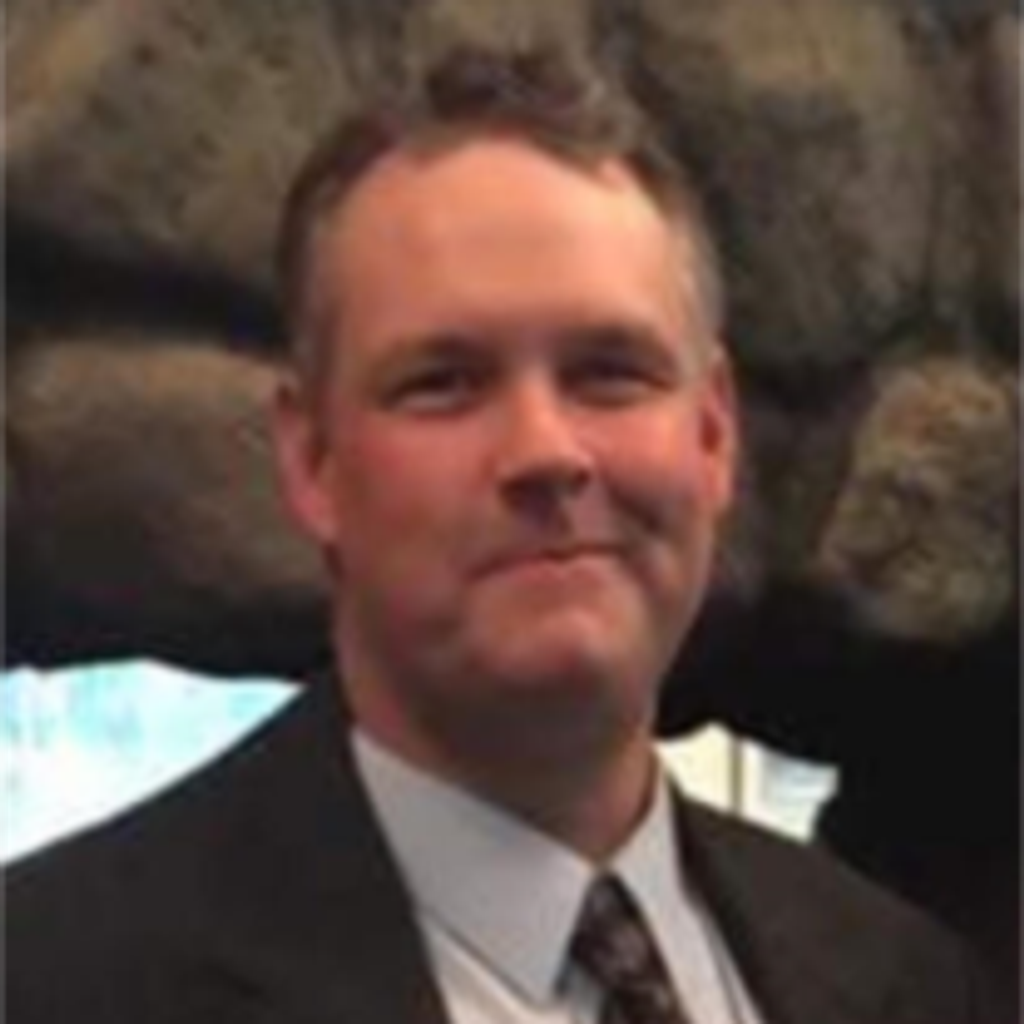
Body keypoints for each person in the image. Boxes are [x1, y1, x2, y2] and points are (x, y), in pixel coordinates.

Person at [0, 45, 1007, 1024]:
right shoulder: (51, 979)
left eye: (610, 372)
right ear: (312, 461)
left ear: (712, 434)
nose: (545, 452)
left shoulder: (910, 983)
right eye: (444, 383)